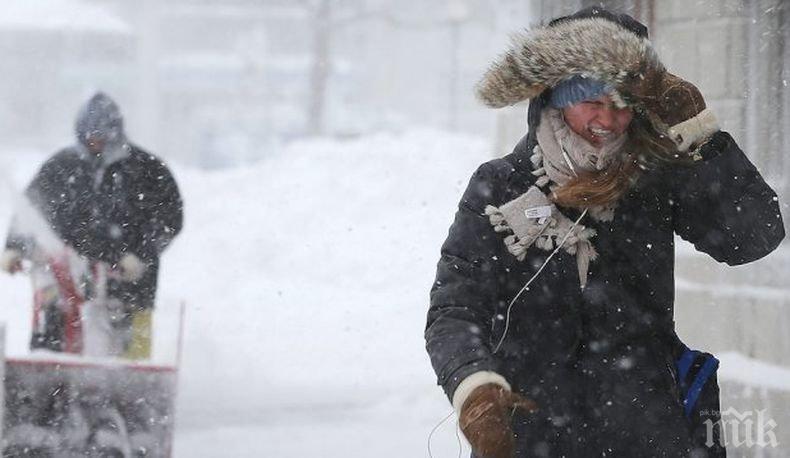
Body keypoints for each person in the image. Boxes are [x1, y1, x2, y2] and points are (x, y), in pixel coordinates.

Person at [425, 7, 785, 457]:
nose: (608, 120)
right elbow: (455, 308)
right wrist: (476, 390)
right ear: (556, 97)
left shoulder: (655, 179)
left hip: (647, 433)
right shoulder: (500, 185)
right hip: (529, 437)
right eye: (591, 102)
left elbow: (754, 236)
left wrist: (699, 134)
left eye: (621, 105)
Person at [0, 92, 183, 360]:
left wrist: (141, 256)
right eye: (89, 136)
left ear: (115, 133)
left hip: (131, 279)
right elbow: (31, 210)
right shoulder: (61, 167)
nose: (94, 142)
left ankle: (129, 388)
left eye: (101, 135)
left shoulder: (147, 170)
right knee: (53, 315)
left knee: (128, 344)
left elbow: (169, 219)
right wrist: (16, 247)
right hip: (70, 269)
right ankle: (50, 374)